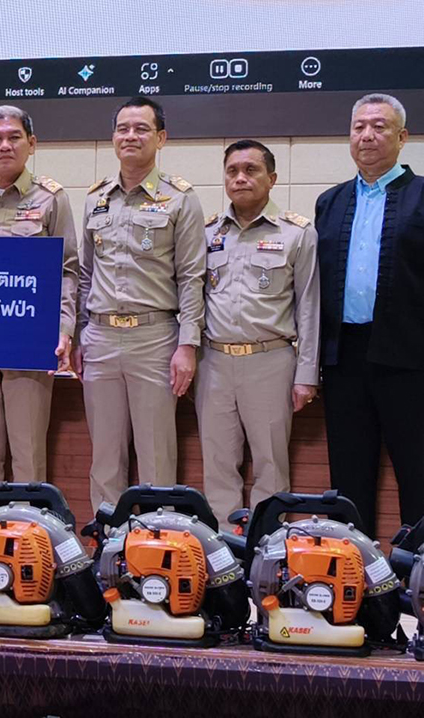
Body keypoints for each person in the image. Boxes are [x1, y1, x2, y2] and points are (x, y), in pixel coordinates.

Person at [73, 96, 206, 510]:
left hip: (154, 338)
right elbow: (85, 274)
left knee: (156, 455)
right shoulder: (96, 198)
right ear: (113, 137)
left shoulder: (180, 198)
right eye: (123, 129)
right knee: (104, 458)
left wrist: (188, 345)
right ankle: (107, 540)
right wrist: (79, 334)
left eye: (141, 129)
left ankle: (158, 537)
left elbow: (192, 276)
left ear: (161, 138)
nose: (130, 136)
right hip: (100, 338)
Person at [0, 106, 78, 504]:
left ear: (31, 144)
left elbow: (68, 271)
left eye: (14, 137)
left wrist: (64, 330)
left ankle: (30, 529)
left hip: (29, 341)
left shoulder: (52, 199)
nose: (4, 145)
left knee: (27, 453)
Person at [196, 141, 319, 524]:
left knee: (270, 463)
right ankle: (224, 546)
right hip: (213, 361)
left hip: (270, 360)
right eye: (232, 171)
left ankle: (267, 543)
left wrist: (306, 374)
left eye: (251, 170)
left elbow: (309, 307)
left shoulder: (297, 233)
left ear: (272, 179)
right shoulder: (207, 232)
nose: (240, 178)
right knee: (218, 464)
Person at [316, 93, 424, 527]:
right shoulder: (330, 201)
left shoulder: (421, 195)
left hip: (409, 358)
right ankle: (354, 563)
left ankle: (417, 564)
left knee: (417, 470)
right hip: (344, 358)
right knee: (349, 475)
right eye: (359, 126)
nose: (367, 135)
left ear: (402, 137)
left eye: (379, 126)